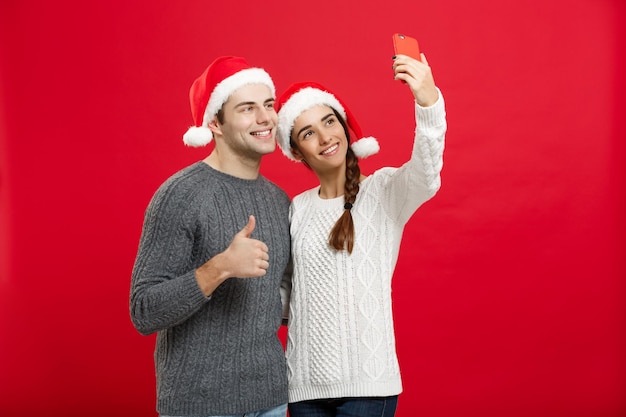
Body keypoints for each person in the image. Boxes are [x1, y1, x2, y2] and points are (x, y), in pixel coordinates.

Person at [275, 52, 446, 416]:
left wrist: (428, 101)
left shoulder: (383, 191)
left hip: (368, 387)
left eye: (329, 122)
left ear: (343, 126)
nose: (324, 137)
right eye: (308, 132)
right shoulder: (297, 208)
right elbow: (286, 294)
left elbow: (427, 173)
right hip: (303, 388)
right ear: (296, 150)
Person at [130, 56, 291, 417]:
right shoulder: (182, 194)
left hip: (270, 398)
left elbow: (276, 300)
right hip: (199, 404)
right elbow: (143, 310)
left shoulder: (279, 200)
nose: (265, 118)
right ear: (215, 122)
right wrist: (218, 268)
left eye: (269, 105)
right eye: (247, 109)